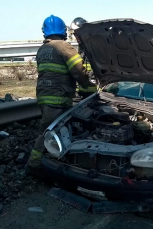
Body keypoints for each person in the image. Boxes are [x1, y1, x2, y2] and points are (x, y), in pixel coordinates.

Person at [26, 15, 96, 173]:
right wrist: (89, 87)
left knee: (54, 129)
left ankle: (58, 158)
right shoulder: (64, 47)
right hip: (58, 97)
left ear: (45, 31)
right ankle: (34, 165)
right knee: (47, 132)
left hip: (44, 97)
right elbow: (78, 71)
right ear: (63, 31)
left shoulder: (42, 49)